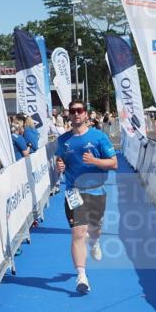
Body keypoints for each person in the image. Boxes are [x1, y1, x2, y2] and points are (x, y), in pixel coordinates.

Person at [55, 101, 118, 295]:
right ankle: (81, 276)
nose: (76, 114)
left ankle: (96, 241)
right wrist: (59, 166)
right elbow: (60, 160)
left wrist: (94, 161)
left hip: (97, 190)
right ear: (69, 115)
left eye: (79, 111)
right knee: (78, 233)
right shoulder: (63, 140)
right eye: (72, 111)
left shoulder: (99, 137)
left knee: (95, 229)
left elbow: (114, 163)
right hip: (74, 191)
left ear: (86, 114)